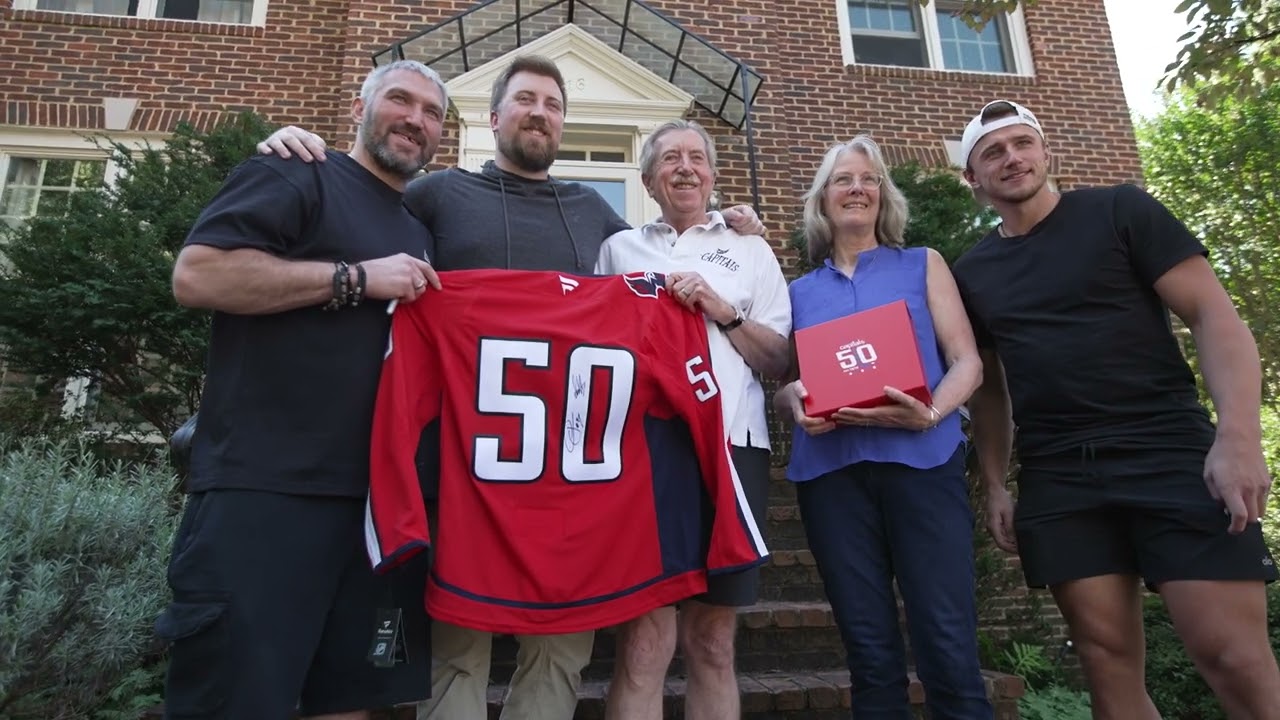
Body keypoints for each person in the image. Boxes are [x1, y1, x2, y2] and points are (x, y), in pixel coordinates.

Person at [257, 54, 765, 720]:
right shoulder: (439, 194)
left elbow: (660, 272)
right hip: (470, 464)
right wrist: (307, 154)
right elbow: (361, 209)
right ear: (494, 117)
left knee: (560, 651)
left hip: (577, 473)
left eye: (553, 104)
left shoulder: (594, 214)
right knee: (459, 644)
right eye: (525, 100)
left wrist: (728, 225)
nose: (539, 113)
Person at [953, 99, 1280, 720]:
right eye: (992, 152)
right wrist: (995, 481)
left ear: (1046, 153)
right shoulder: (974, 271)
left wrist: (1238, 436)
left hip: (1169, 451)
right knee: (1106, 665)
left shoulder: (1120, 211)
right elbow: (989, 386)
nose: (1011, 158)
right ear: (973, 179)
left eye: (1022, 143)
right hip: (1059, 476)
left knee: (1233, 657)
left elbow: (1213, 315)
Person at [156, 60, 447, 720]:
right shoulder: (296, 171)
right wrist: (354, 278)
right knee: (235, 699)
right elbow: (199, 277)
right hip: (266, 495)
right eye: (400, 100)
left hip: (378, 512)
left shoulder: (417, 230)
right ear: (358, 108)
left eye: (432, 113)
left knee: (349, 700)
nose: (414, 118)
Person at [773, 135, 992, 719]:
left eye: (869, 180)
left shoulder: (922, 265)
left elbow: (967, 361)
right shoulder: (798, 292)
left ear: (883, 197)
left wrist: (933, 413)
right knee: (869, 653)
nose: (857, 188)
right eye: (843, 179)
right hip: (832, 478)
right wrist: (791, 398)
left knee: (947, 642)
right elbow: (789, 383)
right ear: (823, 200)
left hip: (923, 465)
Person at [592, 119, 790, 720]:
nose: (685, 167)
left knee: (712, 642)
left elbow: (781, 358)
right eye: (670, 159)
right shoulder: (618, 249)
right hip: (642, 453)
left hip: (733, 447)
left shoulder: (749, 249)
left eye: (697, 158)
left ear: (711, 175)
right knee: (644, 645)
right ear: (649, 179)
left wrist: (721, 311)